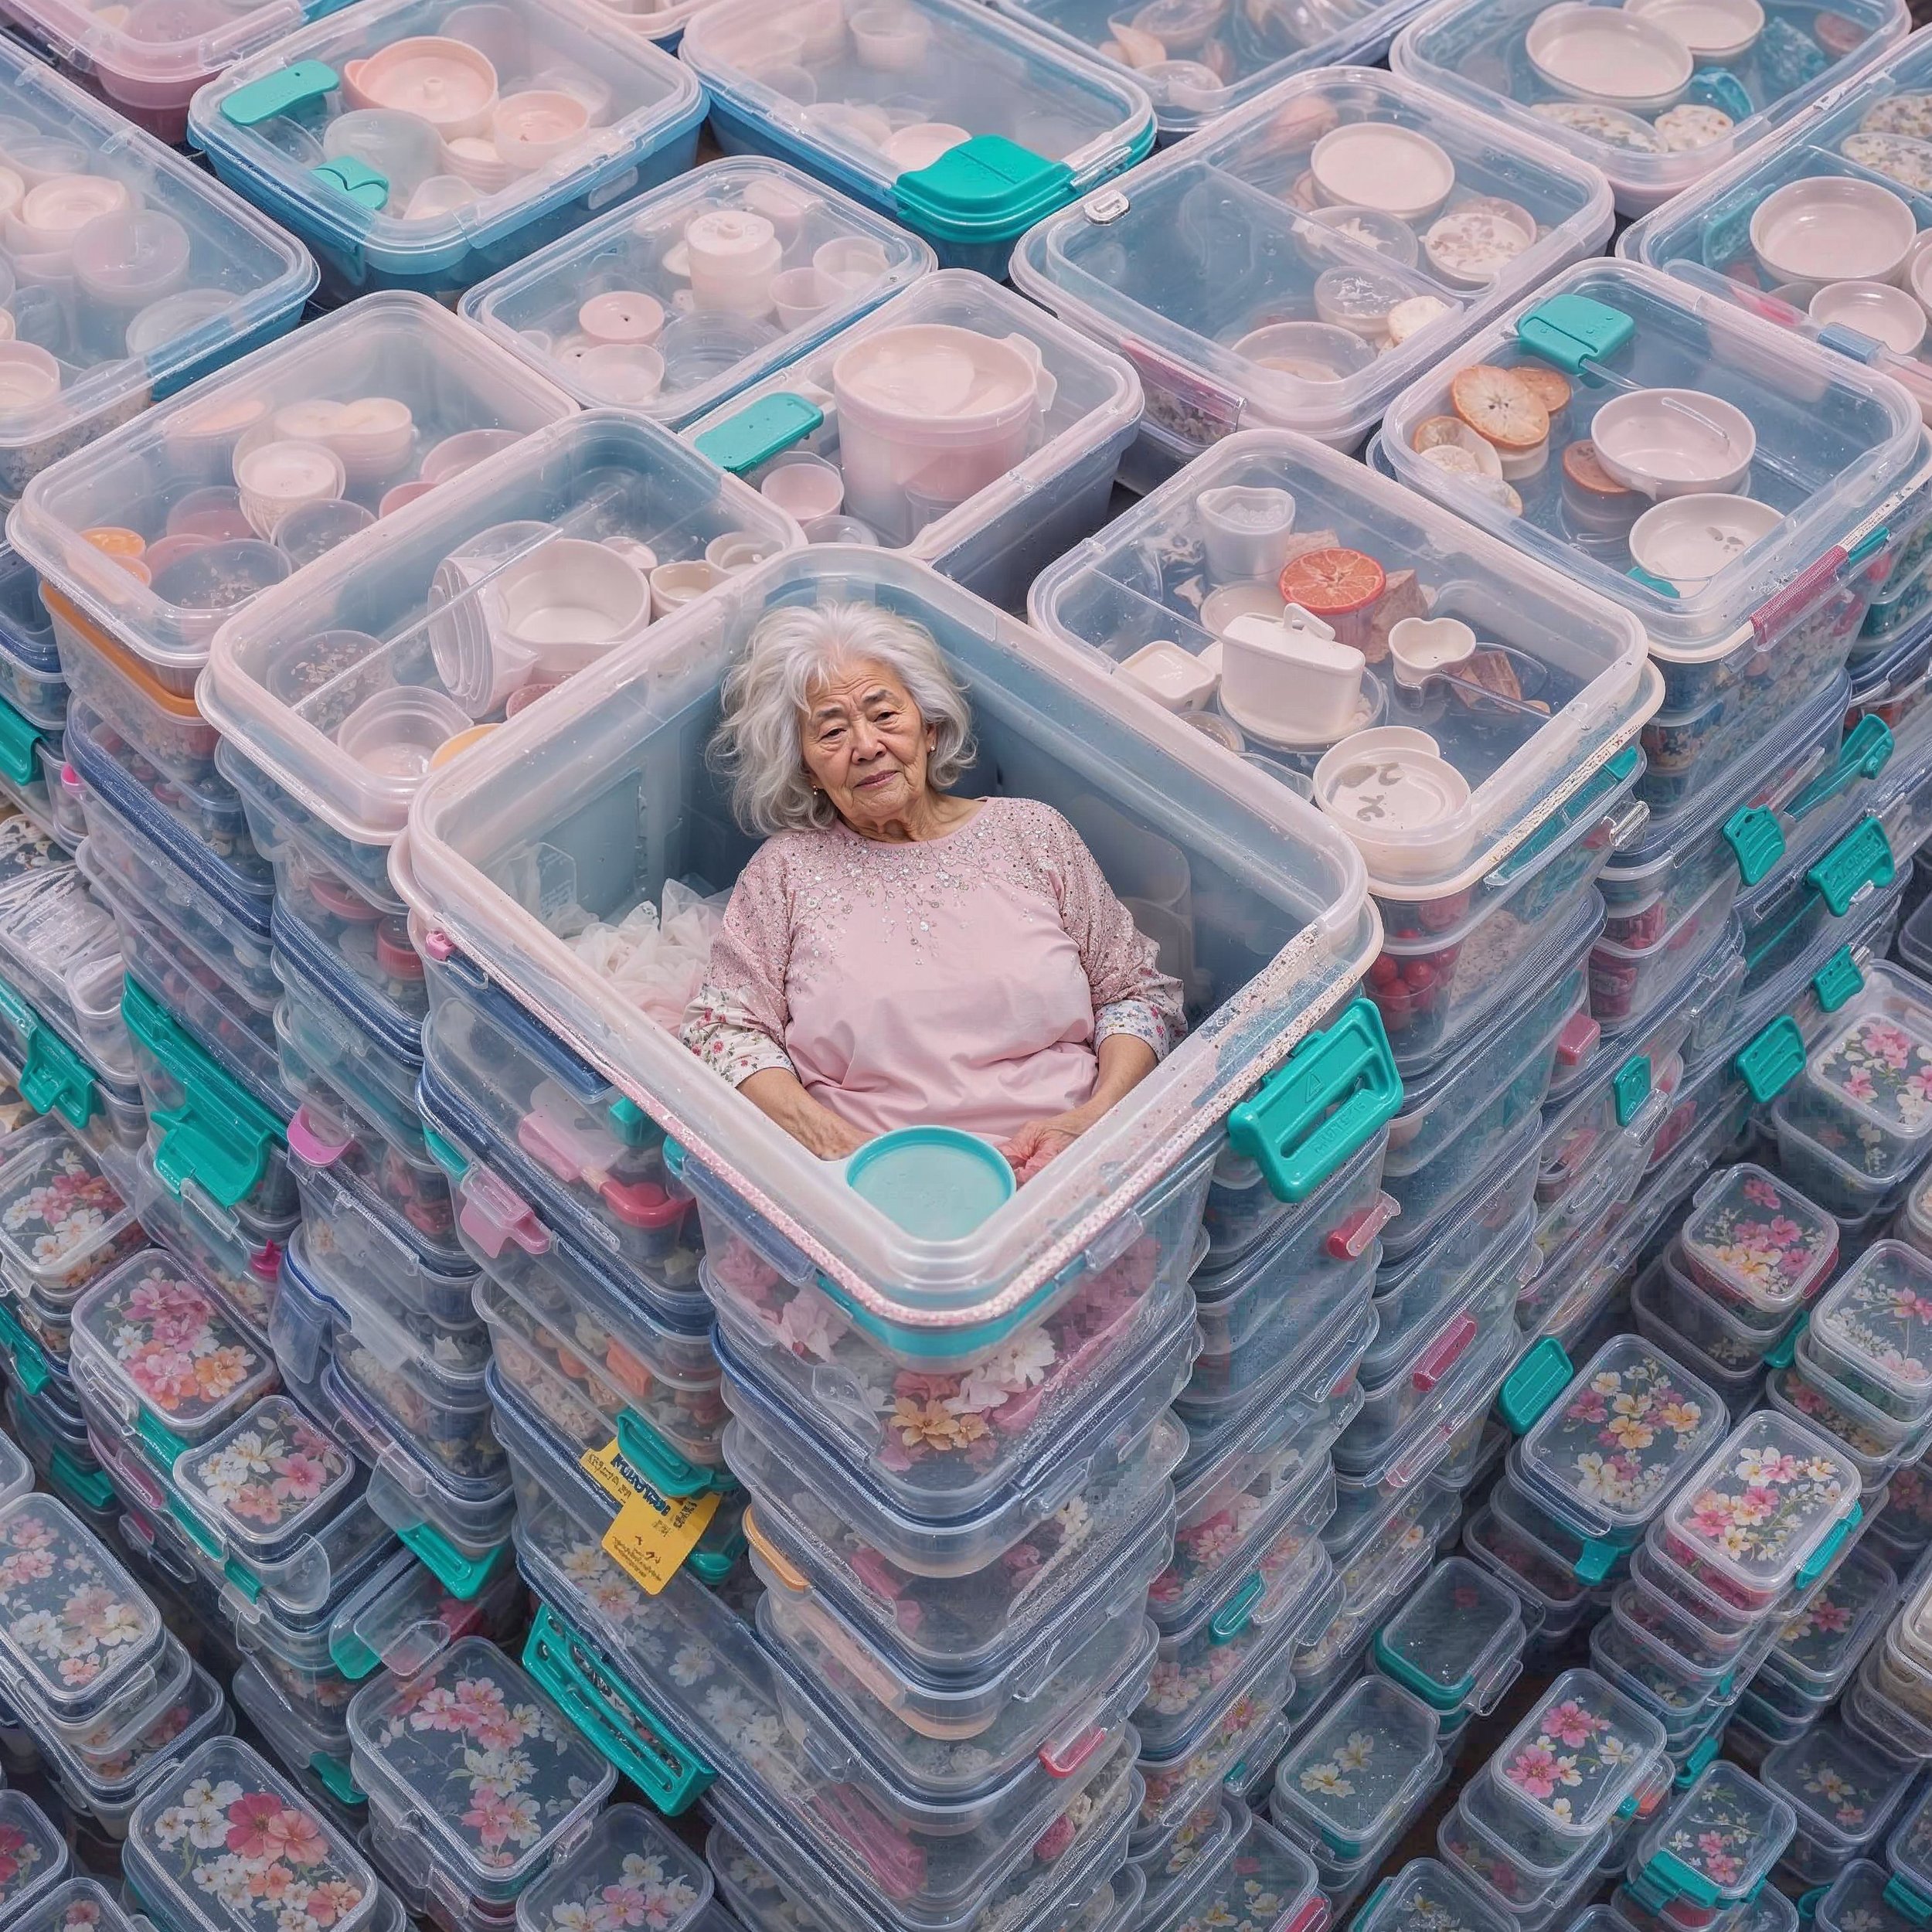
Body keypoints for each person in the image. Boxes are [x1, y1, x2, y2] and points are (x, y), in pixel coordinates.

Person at [682, 601, 1185, 1182]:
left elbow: (1139, 995)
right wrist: (839, 1149)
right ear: (807, 771)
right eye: (832, 730)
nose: (866, 745)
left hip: (1069, 1169)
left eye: (884, 714)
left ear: (931, 727)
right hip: (868, 1186)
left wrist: (1094, 1120)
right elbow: (723, 1030)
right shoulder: (786, 870)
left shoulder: (1031, 832)